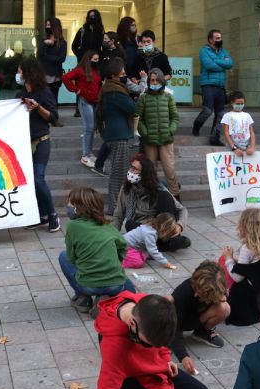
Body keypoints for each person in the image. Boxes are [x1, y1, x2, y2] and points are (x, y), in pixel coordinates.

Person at [94, 292, 210, 389]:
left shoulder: (147, 305)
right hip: (141, 386)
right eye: (149, 344)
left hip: (155, 370)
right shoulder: (115, 346)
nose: (156, 347)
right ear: (132, 324)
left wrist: (166, 359)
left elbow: (161, 340)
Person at [59, 187, 136, 315]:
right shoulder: (106, 225)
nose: (67, 206)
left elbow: (71, 258)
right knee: (126, 287)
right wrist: (113, 259)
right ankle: (107, 299)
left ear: (79, 208)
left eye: (70, 203)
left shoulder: (73, 226)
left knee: (63, 256)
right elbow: (123, 245)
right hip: (115, 285)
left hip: (88, 286)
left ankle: (83, 299)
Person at [16, 58, 60, 233]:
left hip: (41, 142)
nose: (18, 75)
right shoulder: (19, 94)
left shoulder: (44, 92)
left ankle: (52, 215)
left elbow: (54, 117)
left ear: (28, 73)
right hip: (25, 143)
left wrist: (38, 107)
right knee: (32, 181)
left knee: (38, 178)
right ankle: (41, 215)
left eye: (20, 71)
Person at [220, 208, 260, 326]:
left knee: (233, 287)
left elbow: (237, 277)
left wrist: (228, 259)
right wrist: (236, 259)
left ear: (246, 228)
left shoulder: (248, 247)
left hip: (250, 295)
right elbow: (255, 267)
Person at [113, 156, 191, 252]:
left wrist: (180, 225)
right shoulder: (126, 189)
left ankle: (165, 241)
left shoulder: (158, 187)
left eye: (135, 169)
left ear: (144, 173)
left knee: (165, 196)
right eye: (131, 167)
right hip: (141, 228)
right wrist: (112, 236)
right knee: (129, 224)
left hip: (159, 226)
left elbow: (182, 209)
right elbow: (118, 215)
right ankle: (166, 245)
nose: (131, 171)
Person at [171, 261, 231, 374]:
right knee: (169, 305)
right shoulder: (183, 292)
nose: (209, 300)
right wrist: (183, 356)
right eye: (207, 297)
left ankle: (201, 332)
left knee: (225, 308)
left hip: (199, 316)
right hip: (184, 321)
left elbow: (224, 294)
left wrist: (222, 297)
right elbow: (175, 328)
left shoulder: (218, 285)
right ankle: (197, 330)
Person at [96, 59, 137, 215]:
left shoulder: (109, 89)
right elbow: (132, 108)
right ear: (114, 75)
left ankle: (118, 207)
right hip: (118, 136)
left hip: (115, 135)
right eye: (122, 74)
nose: (125, 76)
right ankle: (114, 208)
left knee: (118, 173)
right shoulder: (115, 92)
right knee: (119, 174)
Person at [137, 68, 180, 198]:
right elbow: (139, 119)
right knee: (151, 171)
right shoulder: (143, 98)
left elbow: (175, 118)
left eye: (156, 80)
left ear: (162, 81)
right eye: (152, 80)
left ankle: (175, 196)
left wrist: (170, 130)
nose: (154, 83)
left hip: (166, 139)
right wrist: (145, 132)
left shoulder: (168, 97)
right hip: (150, 140)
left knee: (169, 170)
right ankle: (154, 197)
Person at [192, 30, 233, 146]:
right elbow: (208, 65)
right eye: (217, 38)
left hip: (220, 86)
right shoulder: (204, 51)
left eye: (220, 37)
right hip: (208, 85)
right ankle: (196, 126)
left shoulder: (223, 51)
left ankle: (214, 137)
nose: (220, 40)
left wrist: (216, 61)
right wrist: (222, 65)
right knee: (208, 110)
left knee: (220, 114)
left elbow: (230, 63)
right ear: (210, 40)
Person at [62, 50, 101, 168]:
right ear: (88, 60)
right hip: (85, 101)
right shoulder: (80, 70)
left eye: (97, 60)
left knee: (92, 127)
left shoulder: (95, 71)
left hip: (94, 102)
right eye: (95, 59)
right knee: (89, 127)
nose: (97, 62)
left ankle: (88, 153)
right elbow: (65, 77)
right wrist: (75, 89)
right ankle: (85, 154)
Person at [38, 17, 67, 114]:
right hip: (43, 73)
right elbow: (39, 55)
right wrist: (45, 44)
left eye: (49, 25)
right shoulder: (43, 41)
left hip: (55, 74)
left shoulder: (62, 43)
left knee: (54, 97)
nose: (47, 27)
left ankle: (54, 117)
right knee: (43, 97)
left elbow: (61, 59)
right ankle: (44, 116)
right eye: (46, 25)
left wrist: (46, 57)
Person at [221, 91, 255, 156]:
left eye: (242, 103)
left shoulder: (247, 115)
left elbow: (251, 132)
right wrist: (234, 148)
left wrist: (252, 147)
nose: (240, 105)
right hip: (232, 148)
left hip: (246, 148)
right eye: (237, 103)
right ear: (232, 103)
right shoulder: (227, 116)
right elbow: (226, 133)